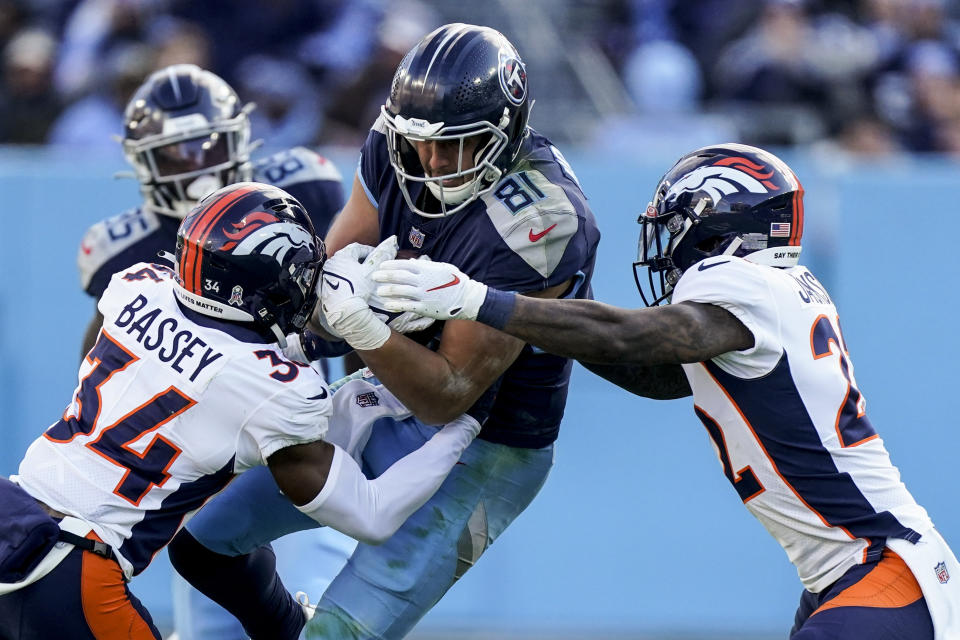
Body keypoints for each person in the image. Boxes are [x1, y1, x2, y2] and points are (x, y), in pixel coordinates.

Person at [371, 143, 960, 639]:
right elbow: (662, 379)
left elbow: (636, 338)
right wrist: (541, 314)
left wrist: (482, 301)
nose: (665, 244)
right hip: (863, 571)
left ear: (716, 223)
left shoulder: (739, 282)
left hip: (879, 568)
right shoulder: (779, 292)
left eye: (673, 225)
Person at [166, 23, 601, 640]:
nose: (431, 161)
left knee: (340, 635)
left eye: (458, 145)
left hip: (489, 439)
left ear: (506, 135)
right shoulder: (398, 139)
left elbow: (449, 393)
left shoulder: (541, 220)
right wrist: (335, 304)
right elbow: (329, 280)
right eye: (419, 142)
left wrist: (362, 325)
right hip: (386, 392)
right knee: (202, 544)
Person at [0, 182, 481, 640]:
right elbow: (371, 515)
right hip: (72, 569)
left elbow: (216, 352)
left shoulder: (133, 284)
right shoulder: (275, 390)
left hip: (12, 512)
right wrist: (461, 429)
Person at [72, 63, 360, 640]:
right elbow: (98, 361)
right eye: (176, 153)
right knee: (219, 623)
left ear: (239, 139)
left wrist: (367, 413)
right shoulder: (118, 252)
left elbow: (350, 319)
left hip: (298, 433)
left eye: (207, 145)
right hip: (206, 461)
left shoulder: (302, 185)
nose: (197, 165)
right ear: (142, 161)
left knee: (324, 608)